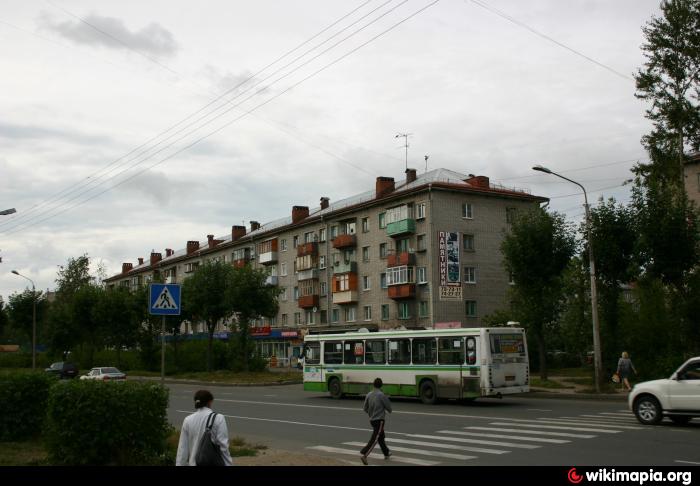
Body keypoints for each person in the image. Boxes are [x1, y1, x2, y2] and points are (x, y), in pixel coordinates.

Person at [176, 389, 234, 466]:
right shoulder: (219, 418)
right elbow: (223, 446)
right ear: (210, 402)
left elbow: (182, 449)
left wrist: (180, 464)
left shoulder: (187, 420)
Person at [359, 378, 392, 465]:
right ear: (381, 385)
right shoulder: (381, 395)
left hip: (372, 420)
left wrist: (371, 414)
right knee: (375, 438)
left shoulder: (369, 394)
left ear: (373, 385)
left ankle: (386, 453)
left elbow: (365, 408)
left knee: (380, 436)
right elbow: (389, 409)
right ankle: (365, 454)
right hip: (379, 420)